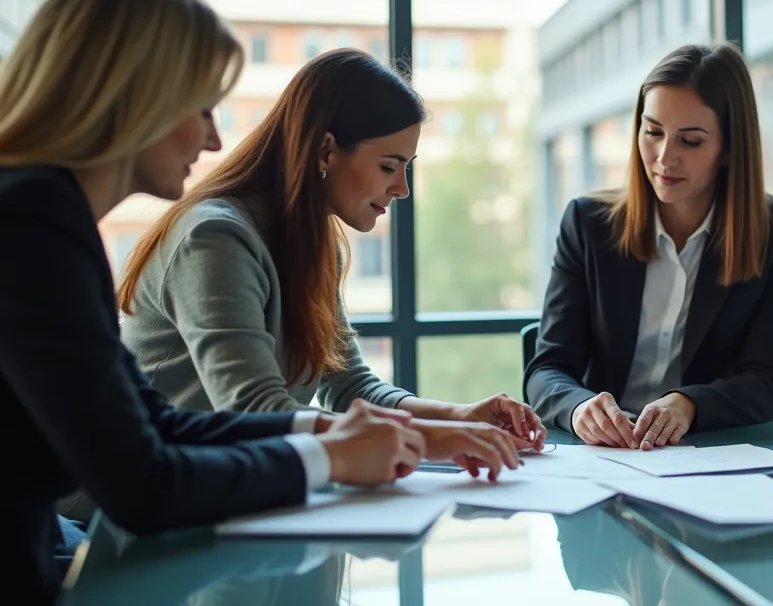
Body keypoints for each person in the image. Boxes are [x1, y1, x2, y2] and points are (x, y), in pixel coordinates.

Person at [0, 0, 432, 605]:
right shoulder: (34, 224)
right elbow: (142, 482)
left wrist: (345, 438)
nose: (213, 136)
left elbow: (159, 425)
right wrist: (331, 457)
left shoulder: (44, 214)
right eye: (200, 106)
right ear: (132, 98)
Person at [115, 47, 546, 467]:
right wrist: (431, 439)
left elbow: (350, 387)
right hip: (129, 510)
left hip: (226, 493)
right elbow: (255, 410)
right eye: (388, 166)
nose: (402, 189)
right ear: (325, 151)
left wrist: (459, 417)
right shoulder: (214, 238)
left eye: (407, 167)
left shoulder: (312, 245)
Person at [525, 43, 773, 449]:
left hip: (709, 454)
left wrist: (688, 404)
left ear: (729, 147)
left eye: (690, 141)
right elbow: (547, 367)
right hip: (604, 456)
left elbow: (769, 380)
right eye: (652, 131)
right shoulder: (587, 225)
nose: (663, 158)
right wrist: (579, 408)